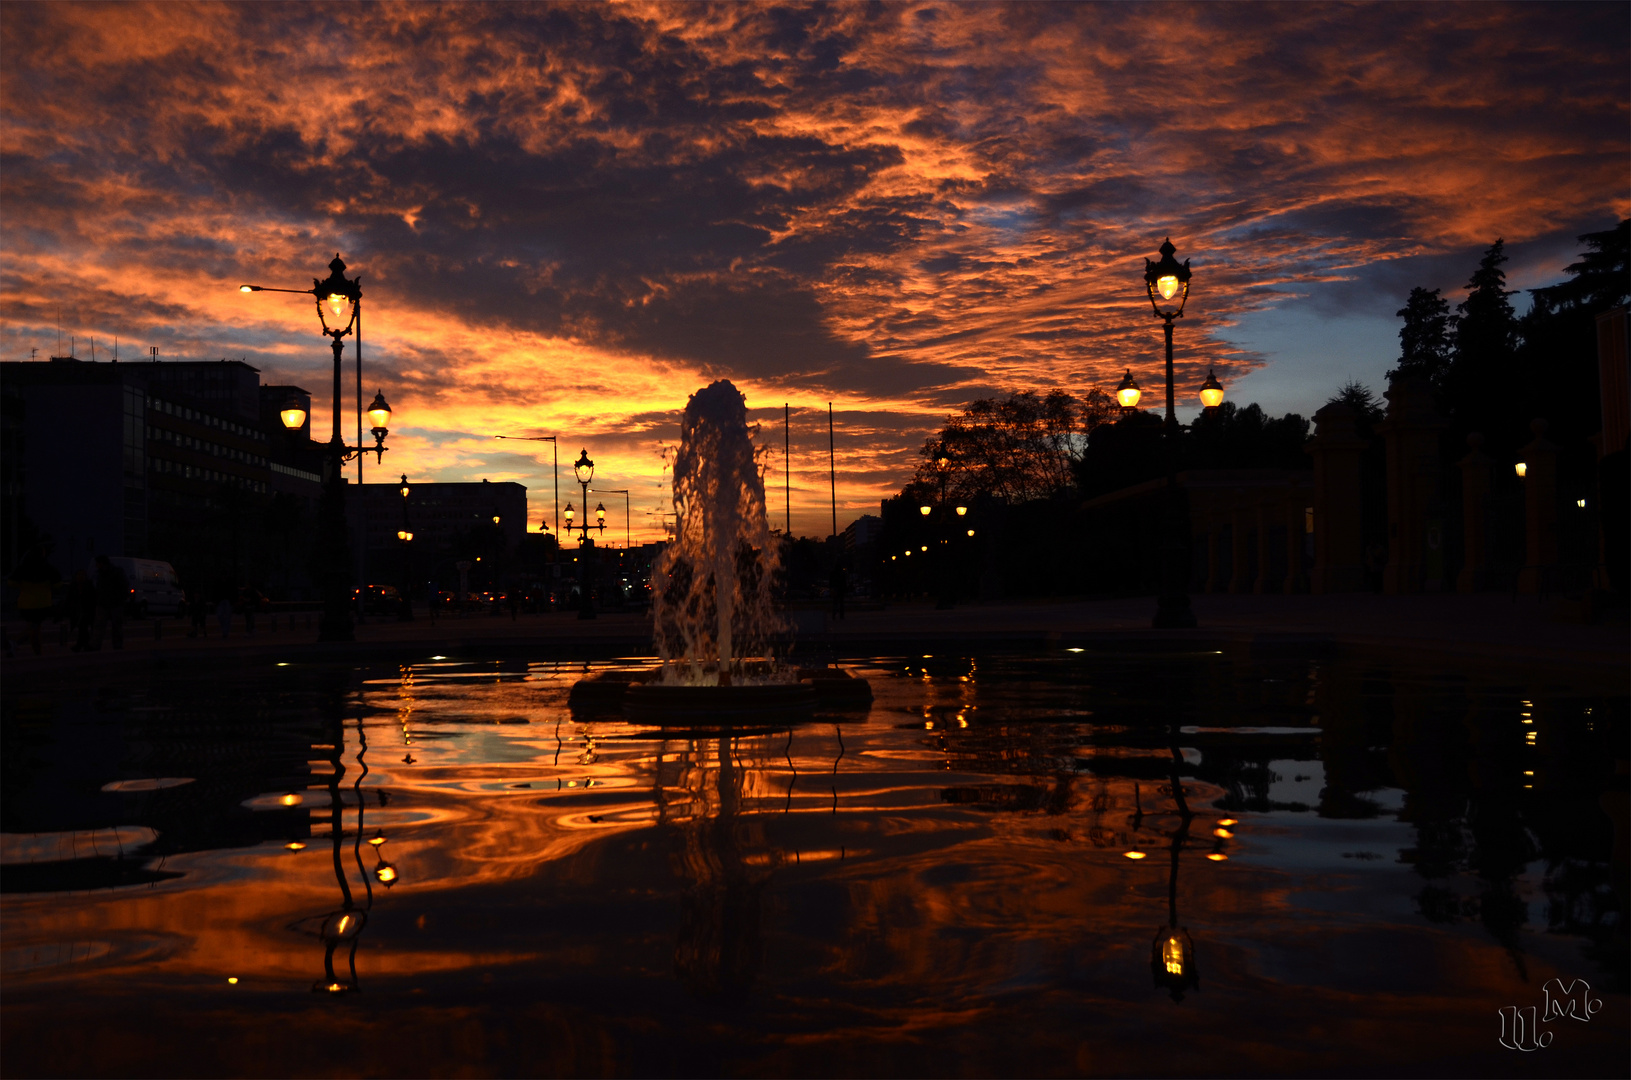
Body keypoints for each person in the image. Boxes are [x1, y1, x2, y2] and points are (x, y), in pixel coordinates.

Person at [8, 540, 61, 655]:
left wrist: (24, 585)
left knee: (34, 628)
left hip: (25, 603)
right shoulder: (48, 568)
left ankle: (36, 652)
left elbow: (11, 583)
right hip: (42, 603)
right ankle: (16, 642)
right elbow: (57, 584)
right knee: (34, 627)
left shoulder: (22, 568)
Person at [91, 553, 128, 651]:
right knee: (106, 626)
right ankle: (112, 645)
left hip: (113, 603)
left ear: (102, 563)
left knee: (112, 626)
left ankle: (100, 645)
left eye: (98, 563)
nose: (96, 566)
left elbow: (123, 587)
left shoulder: (111, 573)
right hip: (107, 603)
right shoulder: (106, 573)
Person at [67, 569, 95, 651]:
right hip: (77, 610)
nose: (80, 577)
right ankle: (84, 644)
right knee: (82, 628)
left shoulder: (88, 586)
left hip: (86, 610)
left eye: (82, 575)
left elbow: (93, 599)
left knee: (83, 627)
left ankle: (82, 644)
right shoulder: (74, 586)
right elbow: (69, 598)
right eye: (79, 575)